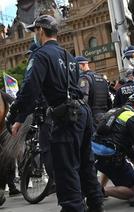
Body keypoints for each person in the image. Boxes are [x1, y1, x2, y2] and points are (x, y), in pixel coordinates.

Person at [5, 15, 104, 212]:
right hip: (82, 114)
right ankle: (96, 206)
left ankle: (73, 208)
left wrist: (17, 116)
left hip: (65, 116)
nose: (34, 35)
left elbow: (30, 89)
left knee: (66, 170)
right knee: (86, 166)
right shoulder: (69, 56)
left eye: (35, 31)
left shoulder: (40, 55)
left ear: (40, 31)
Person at [92, 93, 134, 200]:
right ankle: (99, 192)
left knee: (107, 166)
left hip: (95, 153)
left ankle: (101, 187)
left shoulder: (113, 111)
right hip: (111, 157)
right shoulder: (133, 118)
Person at [76, 55, 112, 122]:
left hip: (91, 117)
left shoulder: (84, 78)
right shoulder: (102, 78)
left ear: (83, 64)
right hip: (105, 117)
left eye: (77, 66)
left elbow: (83, 101)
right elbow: (109, 100)